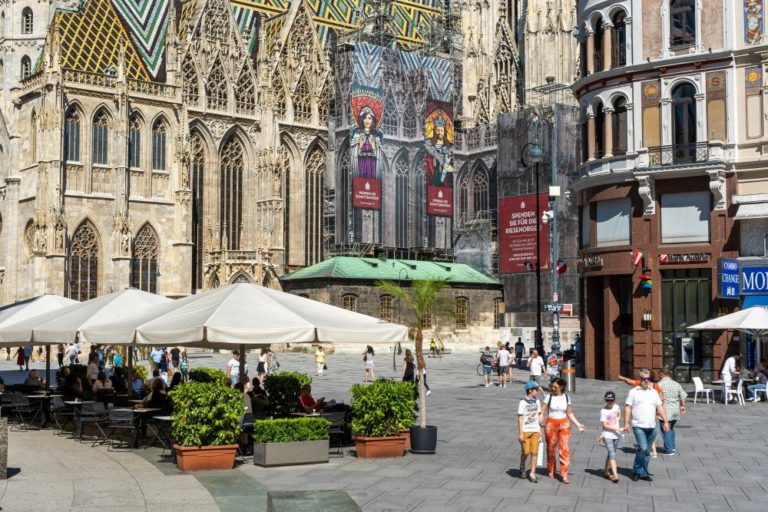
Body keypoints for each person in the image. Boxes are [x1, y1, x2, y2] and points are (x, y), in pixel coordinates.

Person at [624, 374, 670, 482]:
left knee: (647, 451)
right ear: (639, 380)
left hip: (651, 426)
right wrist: (626, 423)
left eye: (648, 379)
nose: (646, 381)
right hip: (638, 425)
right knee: (643, 448)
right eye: (643, 379)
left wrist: (666, 422)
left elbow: (660, 407)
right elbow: (627, 407)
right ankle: (636, 471)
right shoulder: (633, 392)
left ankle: (643, 472)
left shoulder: (653, 392)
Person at [540, 378, 585, 484]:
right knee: (551, 449)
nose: (553, 388)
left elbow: (569, 413)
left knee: (564, 449)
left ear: (561, 387)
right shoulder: (548, 397)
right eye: (552, 387)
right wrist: (540, 421)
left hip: (564, 424)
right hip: (551, 424)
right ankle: (551, 469)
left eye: (555, 387)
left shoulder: (566, 397)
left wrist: (578, 424)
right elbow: (542, 411)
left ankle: (564, 474)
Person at [618, 369, 663, 457]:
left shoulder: (641, 383)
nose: (645, 380)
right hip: (652, 412)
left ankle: (649, 451)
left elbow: (630, 382)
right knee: (649, 431)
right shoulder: (656, 386)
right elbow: (661, 398)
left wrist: (622, 378)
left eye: (646, 378)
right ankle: (653, 451)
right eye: (643, 378)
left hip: (647, 413)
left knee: (648, 432)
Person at [656, 368, 687, 455]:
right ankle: (672, 447)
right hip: (675, 410)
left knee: (665, 429)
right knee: (671, 428)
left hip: (665, 410)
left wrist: (656, 410)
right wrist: (683, 406)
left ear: (662, 374)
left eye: (659, 374)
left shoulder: (659, 384)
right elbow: (683, 396)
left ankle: (669, 449)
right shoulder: (676, 384)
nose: (659, 376)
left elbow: (657, 398)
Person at [518, 380, 543, 483]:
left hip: (535, 431)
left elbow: (538, 415)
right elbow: (520, 418)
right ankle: (522, 466)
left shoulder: (537, 401)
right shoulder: (522, 402)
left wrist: (540, 429)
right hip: (525, 431)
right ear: (530, 391)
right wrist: (520, 433)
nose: (537, 391)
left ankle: (532, 473)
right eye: (536, 390)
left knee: (534, 453)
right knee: (526, 452)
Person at [599, 390, 622, 483]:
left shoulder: (616, 407)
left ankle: (605, 470)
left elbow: (619, 414)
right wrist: (618, 428)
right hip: (607, 434)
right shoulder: (603, 411)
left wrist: (617, 421)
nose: (610, 402)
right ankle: (615, 475)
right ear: (605, 400)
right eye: (608, 400)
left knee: (611, 453)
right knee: (612, 454)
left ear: (614, 400)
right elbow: (605, 425)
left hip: (616, 435)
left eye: (611, 400)